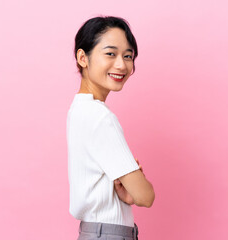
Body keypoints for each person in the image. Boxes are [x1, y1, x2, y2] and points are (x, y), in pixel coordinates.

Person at [67, 15, 155, 240]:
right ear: (82, 58)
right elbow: (146, 196)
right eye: (110, 53)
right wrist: (137, 190)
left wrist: (129, 192)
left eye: (128, 56)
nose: (121, 64)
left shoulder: (79, 110)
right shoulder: (99, 116)